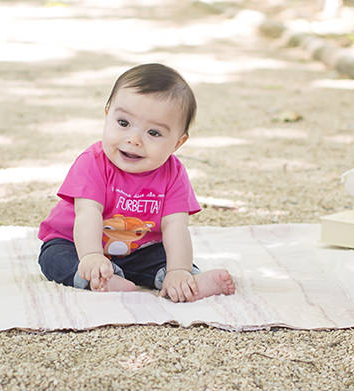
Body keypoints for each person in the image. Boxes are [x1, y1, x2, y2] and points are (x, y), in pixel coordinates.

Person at [37, 64, 235, 302]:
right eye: (123, 123)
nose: (134, 139)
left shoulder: (173, 174)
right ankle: (98, 278)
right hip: (76, 242)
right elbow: (87, 212)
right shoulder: (93, 163)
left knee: (165, 257)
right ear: (107, 115)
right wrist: (91, 255)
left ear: (177, 143)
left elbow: (175, 226)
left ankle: (184, 283)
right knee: (54, 259)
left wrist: (178, 269)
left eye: (154, 133)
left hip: (139, 249)